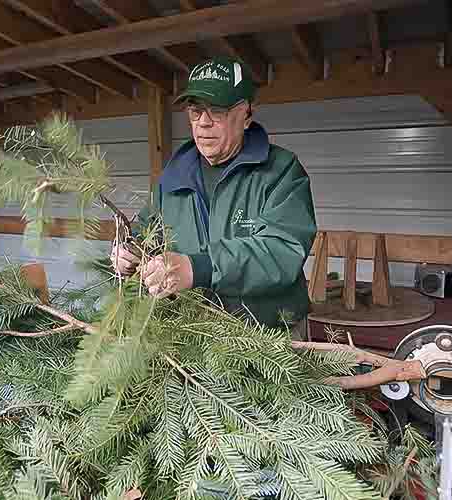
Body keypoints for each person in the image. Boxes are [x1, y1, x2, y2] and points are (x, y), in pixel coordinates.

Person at [110, 56, 316, 337]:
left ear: (245, 114)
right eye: (195, 111)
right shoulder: (173, 177)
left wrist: (198, 268)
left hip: (270, 334)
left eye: (216, 111)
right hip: (195, 334)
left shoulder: (281, 172)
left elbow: (282, 251)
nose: (203, 123)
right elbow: (145, 233)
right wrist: (128, 252)